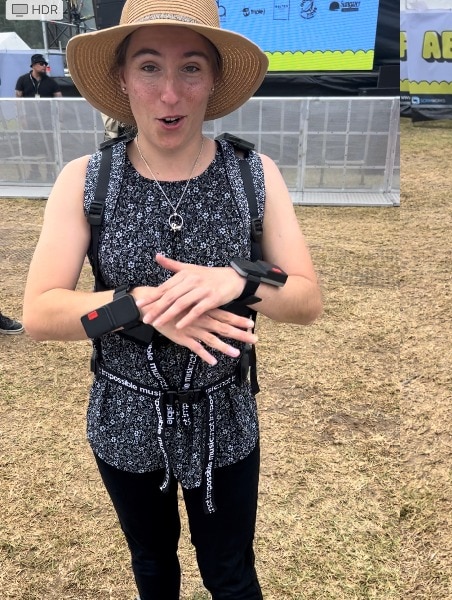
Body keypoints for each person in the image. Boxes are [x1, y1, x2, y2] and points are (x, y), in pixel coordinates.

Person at [22, 0, 322, 597]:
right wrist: (144, 304)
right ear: (123, 80)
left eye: (191, 68)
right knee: (153, 568)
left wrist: (238, 280)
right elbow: (39, 311)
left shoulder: (252, 174)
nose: (170, 94)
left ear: (213, 81)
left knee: (232, 573)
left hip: (226, 415)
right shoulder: (86, 179)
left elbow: (307, 299)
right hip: (125, 414)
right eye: (150, 67)